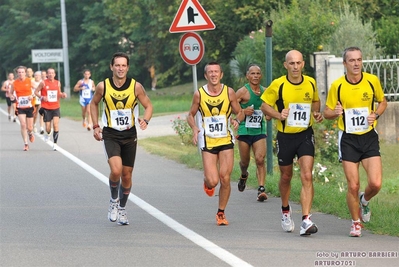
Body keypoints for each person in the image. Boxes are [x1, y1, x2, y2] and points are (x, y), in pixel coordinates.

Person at [323, 47, 387, 237]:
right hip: (348, 138)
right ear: (345, 64)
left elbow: (382, 101)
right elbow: (326, 112)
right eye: (352, 60)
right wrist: (334, 113)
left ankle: (364, 200)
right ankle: (355, 222)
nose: (356, 64)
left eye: (359, 60)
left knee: (375, 184)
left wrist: (376, 113)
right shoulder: (338, 86)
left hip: (368, 136)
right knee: (353, 185)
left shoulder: (371, 81)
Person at [260, 50, 323, 236]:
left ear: (303, 64)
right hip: (285, 136)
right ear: (286, 65)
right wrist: (279, 115)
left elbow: (315, 101)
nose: (295, 67)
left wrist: (316, 113)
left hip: (305, 134)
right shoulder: (278, 85)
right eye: (291, 63)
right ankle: (286, 211)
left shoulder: (310, 82)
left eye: (298, 63)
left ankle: (306, 219)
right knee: (286, 177)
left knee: (306, 175)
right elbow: (264, 105)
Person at [90, 52, 153, 226]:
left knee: (127, 175)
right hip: (110, 134)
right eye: (117, 65)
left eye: (123, 65)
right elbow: (93, 103)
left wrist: (145, 120)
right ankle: (113, 200)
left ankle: (123, 208)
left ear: (127, 67)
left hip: (129, 135)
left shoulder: (136, 87)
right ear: (112, 67)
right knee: (116, 170)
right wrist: (95, 126)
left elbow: (148, 106)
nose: (120, 68)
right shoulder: (103, 87)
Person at [187, 61, 244, 226]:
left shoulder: (229, 92)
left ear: (221, 75)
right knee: (213, 181)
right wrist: (194, 128)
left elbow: (239, 111)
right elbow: (190, 115)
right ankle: (207, 183)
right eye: (210, 72)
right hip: (208, 141)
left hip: (226, 140)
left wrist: (237, 121)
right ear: (206, 76)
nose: (213, 74)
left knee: (225, 178)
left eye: (216, 71)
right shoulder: (199, 94)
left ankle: (221, 212)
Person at [235, 64, 270, 202]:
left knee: (260, 159)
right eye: (252, 73)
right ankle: (244, 175)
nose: (255, 76)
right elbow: (231, 107)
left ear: (261, 76)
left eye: (258, 73)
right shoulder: (242, 92)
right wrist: (243, 111)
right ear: (247, 76)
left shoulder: (265, 91)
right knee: (245, 162)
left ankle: (261, 189)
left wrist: (269, 114)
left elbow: (269, 108)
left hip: (259, 130)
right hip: (244, 130)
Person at [34, 68, 67, 151]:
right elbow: (36, 92)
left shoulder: (57, 83)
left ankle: (55, 144)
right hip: (46, 107)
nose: (51, 74)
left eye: (52, 73)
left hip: (56, 107)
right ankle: (48, 133)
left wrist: (62, 95)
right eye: (49, 73)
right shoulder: (43, 83)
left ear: (54, 74)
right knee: (48, 127)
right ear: (47, 75)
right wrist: (42, 97)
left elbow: (58, 93)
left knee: (56, 125)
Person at [9, 66, 35, 151]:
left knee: (30, 127)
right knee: (23, 124)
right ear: (17, 73)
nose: (21, 74)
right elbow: (10, 93)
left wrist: (32, 96)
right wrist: (12, 96)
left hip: (29, 106)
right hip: (20, 106)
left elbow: (37, 90)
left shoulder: (29, 81)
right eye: (19, 72)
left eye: (22, 72)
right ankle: (26, 144)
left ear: (25, 73)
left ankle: (30, 133)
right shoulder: (15, 83)